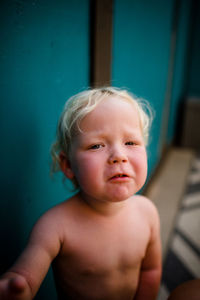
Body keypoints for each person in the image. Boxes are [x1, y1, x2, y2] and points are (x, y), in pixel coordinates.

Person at [0, 87, 162, 300]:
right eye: (96, 145)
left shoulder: (147, 212)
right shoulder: (55, 226)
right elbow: (25, 275)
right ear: (68, 165)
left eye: (130, 142)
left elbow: (150, 271)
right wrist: (16, 286)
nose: (119, 156)